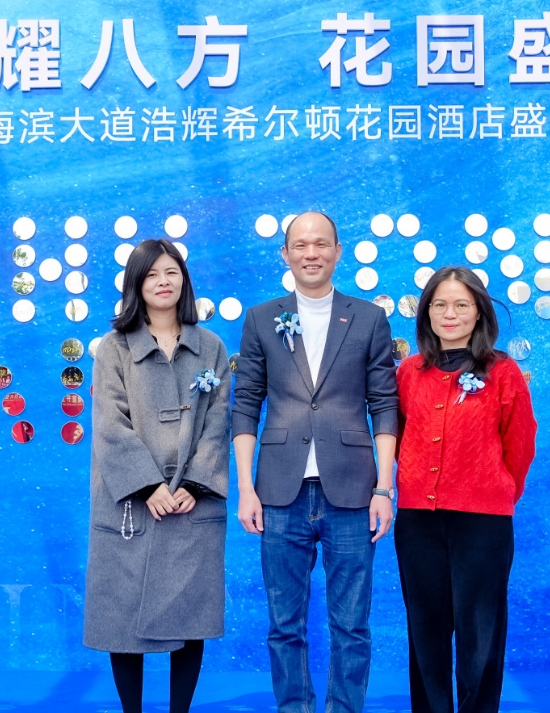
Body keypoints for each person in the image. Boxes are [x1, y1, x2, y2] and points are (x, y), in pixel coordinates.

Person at [232, 212, 399, 713]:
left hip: (352, 489)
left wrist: (384, 488)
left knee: (352, 624)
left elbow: (384, 405)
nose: (311, 253)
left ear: (338, 251)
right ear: (285, 254)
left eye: (321, 244)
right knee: (284, 624)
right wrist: (246, 488)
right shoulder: (261, 318)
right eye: (301, 245)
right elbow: (246, 404)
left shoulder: (368, 318)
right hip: (278, 490)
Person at [85, 238, 231, 713]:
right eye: (151, 274)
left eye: (171, 272)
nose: (163, 282)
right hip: (131, 504)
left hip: (191, 503)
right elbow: (110, 424)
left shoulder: (210, 346)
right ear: (136, 285)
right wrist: (148, 485)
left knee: (190, 614)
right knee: (123, 617)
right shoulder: (114, 348)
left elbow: (218, 422)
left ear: (184, 280)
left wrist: (195, 483)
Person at [393, 266, 537, 713]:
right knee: (426, 632)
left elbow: (520, 444)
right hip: (418, 521)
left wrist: (495, 490)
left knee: (481, 635)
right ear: (426, 313)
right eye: (439, 304)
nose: (449, 314)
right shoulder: (408, 373)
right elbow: (397, 437)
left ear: (479, 312)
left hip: (483, 522)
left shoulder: (503, 372)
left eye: (461, 304)